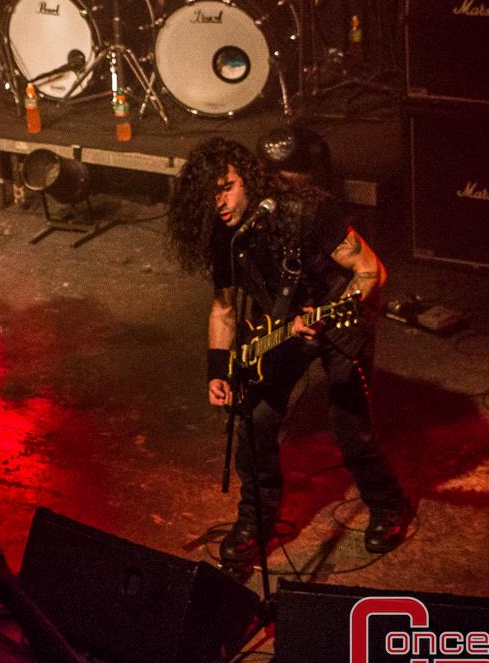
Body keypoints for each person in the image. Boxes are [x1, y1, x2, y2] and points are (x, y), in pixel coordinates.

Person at [166, 137, 408, 564]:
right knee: (254, 419)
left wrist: (329, 315)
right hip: (281, 325)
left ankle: (388, 504)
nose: (219, 202)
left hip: (340, 310)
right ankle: (255, 520)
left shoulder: (307, 211)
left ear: (250, 178)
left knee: (347, 421)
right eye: (210, 194)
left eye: (226, 187)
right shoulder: (224, 234)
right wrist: (218, 370)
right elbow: (224, 308)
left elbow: (371, 270)